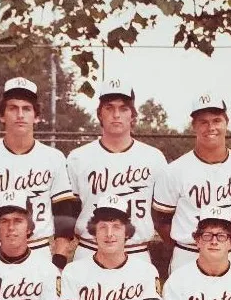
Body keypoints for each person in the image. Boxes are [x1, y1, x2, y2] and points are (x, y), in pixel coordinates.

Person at [0, 77, 76, 268]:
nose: (20, 114)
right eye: (13, 108)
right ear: (2, 115)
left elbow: (64, 216)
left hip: (39, 252)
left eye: (26, 108)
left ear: (37, 116)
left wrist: (58, 261)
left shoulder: (53, 157)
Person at [152, 91, 231, 273]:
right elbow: (161, 221)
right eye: (203, 121)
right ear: (194, 126)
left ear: (226, 123)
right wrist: (189, 243)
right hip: (188, 255)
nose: (211, 127)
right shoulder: (175, 170)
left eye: (217, 120)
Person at [54, 194, 163, 300]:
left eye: (116, 227)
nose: (109, 234)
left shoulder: (146, 270)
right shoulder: (74, 270)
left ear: (127, 232)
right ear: (93, 231)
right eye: (103, 227)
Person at [67, 77, 168, 263]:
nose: (116, 114)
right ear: (99, 114)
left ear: (133, 115)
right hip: (90, 252)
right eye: (109, 108)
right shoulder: (77, 158)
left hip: (136, 253)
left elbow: (164, 214)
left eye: (123, 108)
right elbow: (67, 215)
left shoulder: (154, 158)